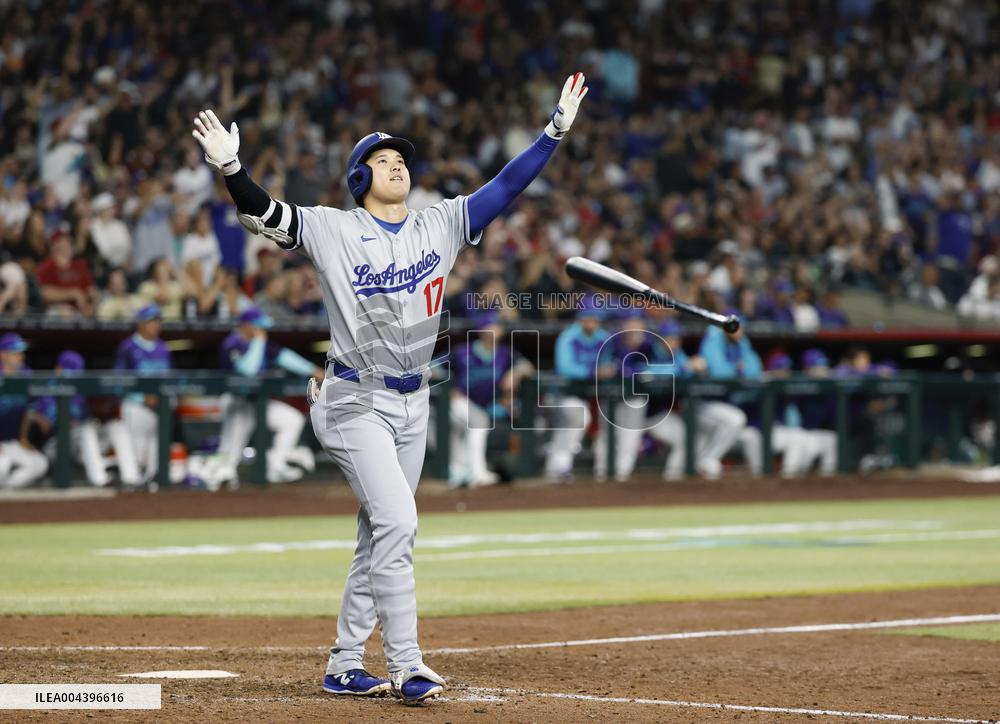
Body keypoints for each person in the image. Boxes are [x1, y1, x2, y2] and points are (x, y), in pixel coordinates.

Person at [193, 71, 588, 702]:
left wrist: (553, 132)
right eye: (381, 159)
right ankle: (407, 666)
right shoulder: (334, 228)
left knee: (379, 531)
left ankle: (345, 663)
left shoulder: (440, 223)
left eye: (400, 157)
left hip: (414, 399)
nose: (395, 165)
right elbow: (264, 212)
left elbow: (507, 186)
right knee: (400, 522)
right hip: (353, 399)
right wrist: (233, 167)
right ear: (359, 178)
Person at [211, 306, 322, 487]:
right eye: (258, 326)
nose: (262, 330)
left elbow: (286, 357)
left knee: (292, 420)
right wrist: (259, 342)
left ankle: (275, 466)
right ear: (246, 325)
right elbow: (249, 371)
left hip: (258, 402)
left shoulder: (263, 344)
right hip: (237, 402)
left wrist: (314, 370)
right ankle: (221, 477)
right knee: (232, 445)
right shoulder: (232, 343)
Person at [646, 320, 747, 480]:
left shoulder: (678, 355)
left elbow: (688, 369)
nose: (675, 342)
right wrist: (684, 368)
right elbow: (646, 372)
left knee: (692, 438)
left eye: (677, 338)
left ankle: (675, 478)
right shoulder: (649, 350)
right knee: (687, 438)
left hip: (673, 412)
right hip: (647, 415)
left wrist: (697, 370)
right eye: (670, 338)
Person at [448, 310, 533, 487]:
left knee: (475, 424)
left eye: (498, 326)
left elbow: (528, 366)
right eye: (491, 326)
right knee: (477, 422)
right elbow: (434, 368)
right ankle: (476, 472)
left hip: (484, 404)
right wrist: (448, 388)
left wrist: (515, 372)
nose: (496, 329)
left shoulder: (505, 353)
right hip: (458, 402)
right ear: (481, 330)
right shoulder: (462, 352)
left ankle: (462, 470)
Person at [22, 351, 118, 487]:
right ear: (58, 369)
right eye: (70, 371)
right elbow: (25, 411)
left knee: (115, 427)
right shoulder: (42, 389)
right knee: (85, 431)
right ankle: (99, 479)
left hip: (78, 443)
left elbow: (87, 420)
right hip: (53, 445)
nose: (73, 376)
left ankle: (130, 478)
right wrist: (36, 417)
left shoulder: (79, 395)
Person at [545, 295, 615, 480]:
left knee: (570, 425)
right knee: (580, 416)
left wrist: (606, 370)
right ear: (580, 318)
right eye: (588, 317)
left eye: (595, 318)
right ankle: (562, 465)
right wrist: (594, 372)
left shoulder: (603, 338)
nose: (592, 322)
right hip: (559, 392)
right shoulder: (569, 337)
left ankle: (555, 468)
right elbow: (565, 368)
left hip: (584, 394)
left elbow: (607, 364)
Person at [112, 304, 172, 487]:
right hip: (136, 406)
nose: (156, 326)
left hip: (160, 407)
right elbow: (118, 381)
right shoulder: (128, 347)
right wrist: (141, 397)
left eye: (157, 322)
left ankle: (152, 488)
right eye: (151, 322)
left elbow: (170, 378)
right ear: (141, 324)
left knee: (156, 451)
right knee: (136, 453)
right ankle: (132, 487)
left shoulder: (163, 348)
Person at [0, 334, 48, 488]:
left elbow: (27, 411)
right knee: (2, 465)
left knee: (39, 464)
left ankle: (7, 492)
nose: (21, 356)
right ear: (3, 354)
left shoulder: (26, 375)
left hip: (11, 441)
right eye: (15, 352)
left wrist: (23, 439)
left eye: (21, 352)